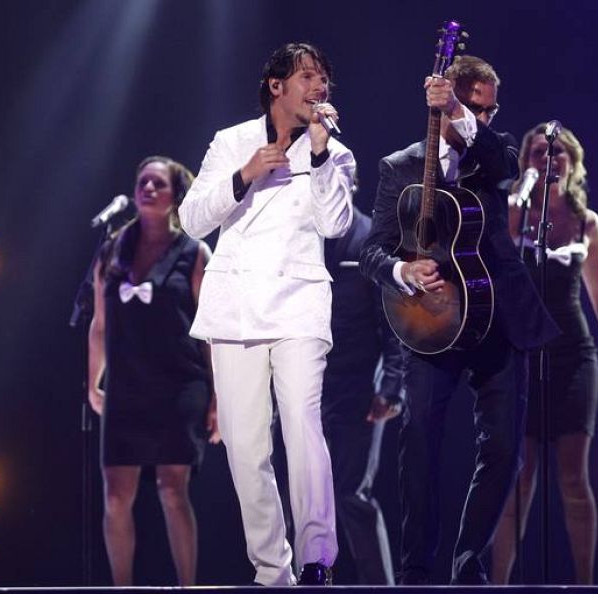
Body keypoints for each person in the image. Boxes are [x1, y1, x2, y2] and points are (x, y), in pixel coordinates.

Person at [360, 55, 558, 585]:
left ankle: (469, 564)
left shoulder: (494, 151)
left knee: (503, 451)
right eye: (474, 107)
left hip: (498, 318)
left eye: (490, 110)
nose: (485, 118)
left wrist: (464, 117)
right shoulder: (399, 166)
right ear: (439, 102)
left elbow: (507, 166)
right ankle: (416, 572)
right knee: (419, 445)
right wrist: (403, 269)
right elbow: (373, 251)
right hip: (430, 323)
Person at [178, 42, 355, 586]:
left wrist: (322, 154)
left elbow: (336, 226)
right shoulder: (231, 142)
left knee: (303, 425)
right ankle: (271, 568)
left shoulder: (336, 153)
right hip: (236, 308)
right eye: (307, 76)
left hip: (299, 303)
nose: (319, 86)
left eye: (323, 77)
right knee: (245, 442)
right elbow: (191, 219)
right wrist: (244, 174)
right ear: (277, 86)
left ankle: (316, 558)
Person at [491, 124, 598, 584]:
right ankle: (496, 584)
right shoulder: (515, 212)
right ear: (527, 161)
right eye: (539, 152)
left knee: (574, 479)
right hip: (523, 354)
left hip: (573, 355)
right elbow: (496, 261)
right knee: (519, 481)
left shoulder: (586, 222)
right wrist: (522, 192)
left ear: (573, 163)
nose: (549, 158)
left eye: (558, 153)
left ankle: (585, 584)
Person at [87, 156, 220, 586]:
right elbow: (99, 324)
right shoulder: (113, 249)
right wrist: (94, 383)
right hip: (127, 387)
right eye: (142, 181)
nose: (146, 188)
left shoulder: (194, 253)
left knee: (170, 488)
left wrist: (218, 397)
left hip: (180, 385)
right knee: (116, 495)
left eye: (157, 184)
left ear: (175, 197)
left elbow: (211, 330)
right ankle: (121, 586)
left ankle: (188, 586)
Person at [273, 204, 404, 584]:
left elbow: (393, 321)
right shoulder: (292, 237)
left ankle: (380, 589)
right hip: (300, 383)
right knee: (292, 493)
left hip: (357, 387)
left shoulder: (371, 240)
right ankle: (302, 580)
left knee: (351, 494)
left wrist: (391, 387)